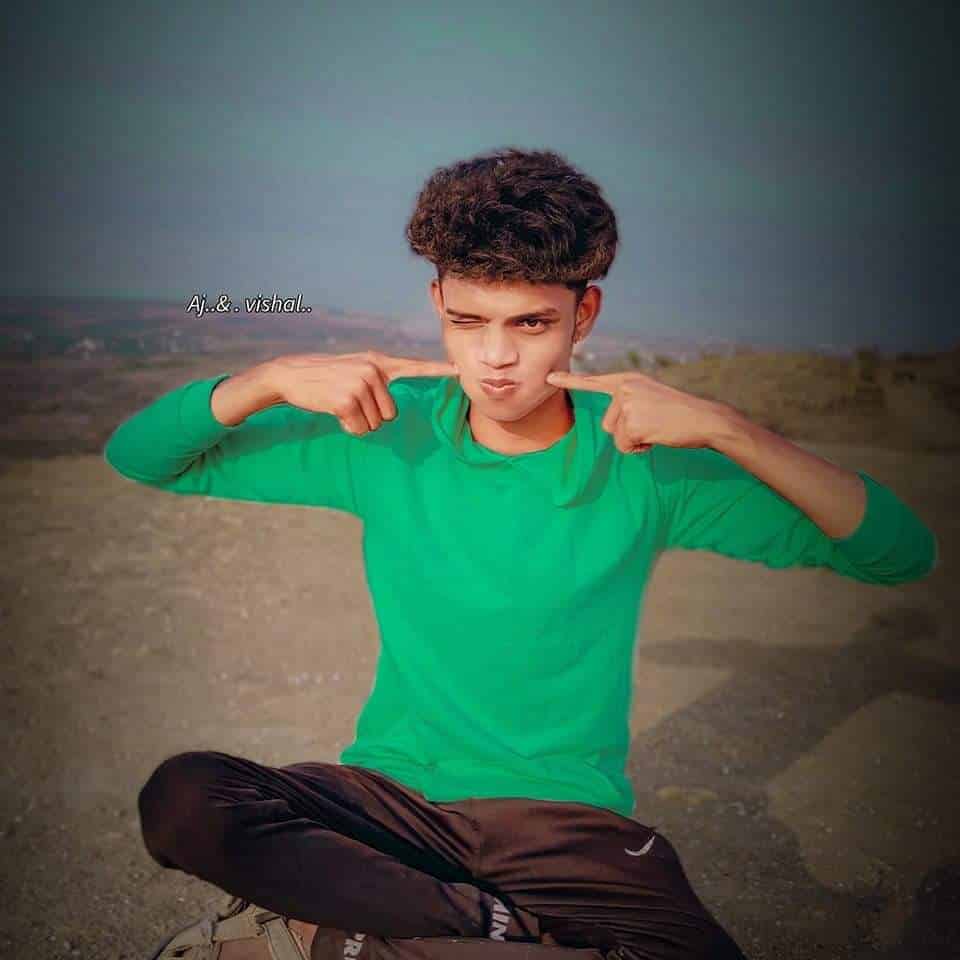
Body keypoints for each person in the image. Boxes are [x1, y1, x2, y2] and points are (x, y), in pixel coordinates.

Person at [105, 147, 937, 960]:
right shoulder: (384, 432)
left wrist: (726, 428)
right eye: (468, 321)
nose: (495, 358)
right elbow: (140, 456)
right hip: (392, 804)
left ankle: (343, 935)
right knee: (186, 799)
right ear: (437, 301)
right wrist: (270, 378)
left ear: (584, 314)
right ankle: (488, 928)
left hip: (567, 829)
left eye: (530, 323)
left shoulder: (644, 462)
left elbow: (898, 552)